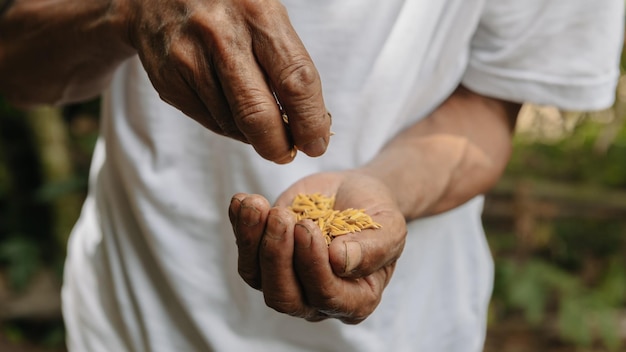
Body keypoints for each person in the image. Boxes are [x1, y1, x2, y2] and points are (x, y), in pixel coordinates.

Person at [1, 0, 623, 351]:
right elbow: (16, 62)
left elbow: (488, 108)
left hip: (413, 332)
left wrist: (390, 187)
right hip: (136, 320)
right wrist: (128, 11)